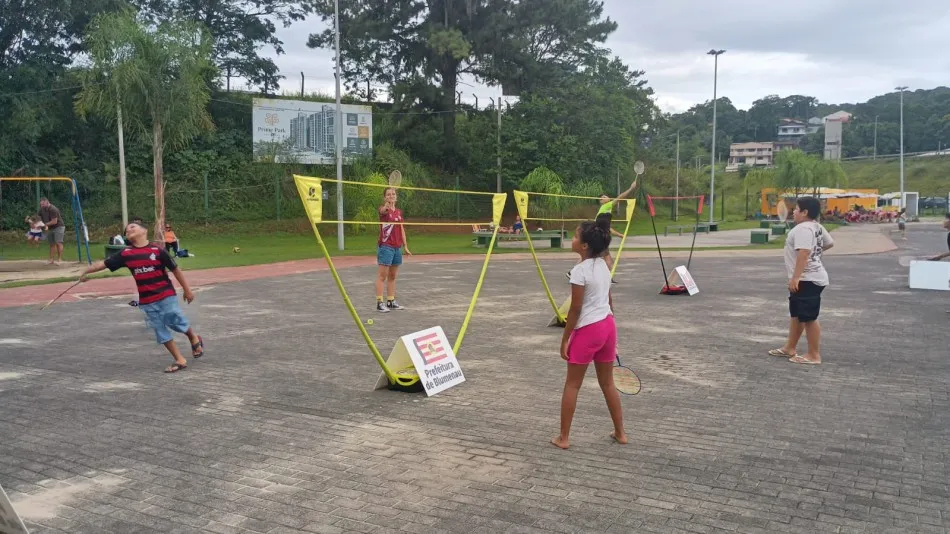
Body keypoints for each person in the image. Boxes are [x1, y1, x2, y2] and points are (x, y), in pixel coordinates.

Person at [79, 221, 204, 373]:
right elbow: (103, 264)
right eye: (126, 230)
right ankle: (179, 359)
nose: (128, 230)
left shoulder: (157, 250)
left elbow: (175, 270)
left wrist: (187, 290)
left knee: (174, 319)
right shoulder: (125, 254)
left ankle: (193, 337)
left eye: (132, 227)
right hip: (147, 300)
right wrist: (85, 272)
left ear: (144, 231)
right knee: (159, 330)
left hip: (165, 294)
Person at [552, 213, 627, 450]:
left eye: (575, 236)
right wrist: (613, 334)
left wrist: (565, 339)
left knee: (572, 385)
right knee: (608, 383)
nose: (572, 239)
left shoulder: (580, 271)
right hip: (608, 326)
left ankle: (563, 438)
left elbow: (575, 309)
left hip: (589, 330)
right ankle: (620, 433)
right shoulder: (604, 265)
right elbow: (609, 300)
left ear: (584, 246)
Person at [769, 196, 835, 365]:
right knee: (797, 315)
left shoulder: (803, 229)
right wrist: (815, 253)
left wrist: (796, 277)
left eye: (797, 209)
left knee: (809, 317)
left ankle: (814, 355)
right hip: (809, 278)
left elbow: (804, 253)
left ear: (805, 212)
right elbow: (829, 243)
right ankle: (789, 348)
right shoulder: (816, 226)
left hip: (808, 279)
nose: (794, 212)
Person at [376, 187, 412, 313]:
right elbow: (383, 210)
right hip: (386, 246)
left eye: (393, 194)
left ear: (396, 196)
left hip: (397, 247)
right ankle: (380, 303)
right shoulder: (383, 210)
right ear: (385, 197)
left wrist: (405, 245)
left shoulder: (398, 212)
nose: (391, 196)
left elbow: (401, 229)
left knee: (393, 276)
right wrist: (386, 206)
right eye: (388, 194)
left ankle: (391, 301)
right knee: (382, 276)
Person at [38, 197, 65, 264]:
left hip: (59, 227)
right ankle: (51, 260)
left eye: (43, 204)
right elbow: (38, 217)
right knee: (52, 244)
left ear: (47, 202)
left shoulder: (53, 209)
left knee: (58, 243)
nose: (41, 206)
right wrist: (34, 222)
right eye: (41, 204)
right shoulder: (42, 209)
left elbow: (54, 221)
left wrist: (44, 224)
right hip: (50, 228)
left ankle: (59, 260)